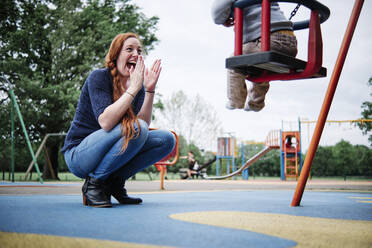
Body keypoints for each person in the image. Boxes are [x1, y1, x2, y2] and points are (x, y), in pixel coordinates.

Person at [61, 33, 176, 208]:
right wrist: (135, 88)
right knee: (137, 128)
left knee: (167, 140)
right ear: (115, 55)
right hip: (80, 155)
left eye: (139, 50)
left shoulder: (137, 87)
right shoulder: (98, 77)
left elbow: (143, 126)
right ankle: (94, 183)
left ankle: (115, 182)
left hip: (109, 153)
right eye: (129, 49)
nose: (136, 54)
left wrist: (149, 90)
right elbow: (106, 122)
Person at [211, 0, 298, 112]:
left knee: (235, 60)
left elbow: (216, 14)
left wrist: (224, 18)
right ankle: (255, 103)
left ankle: (236, 100)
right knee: (259, 66)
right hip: (290, 43)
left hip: (269, 40)